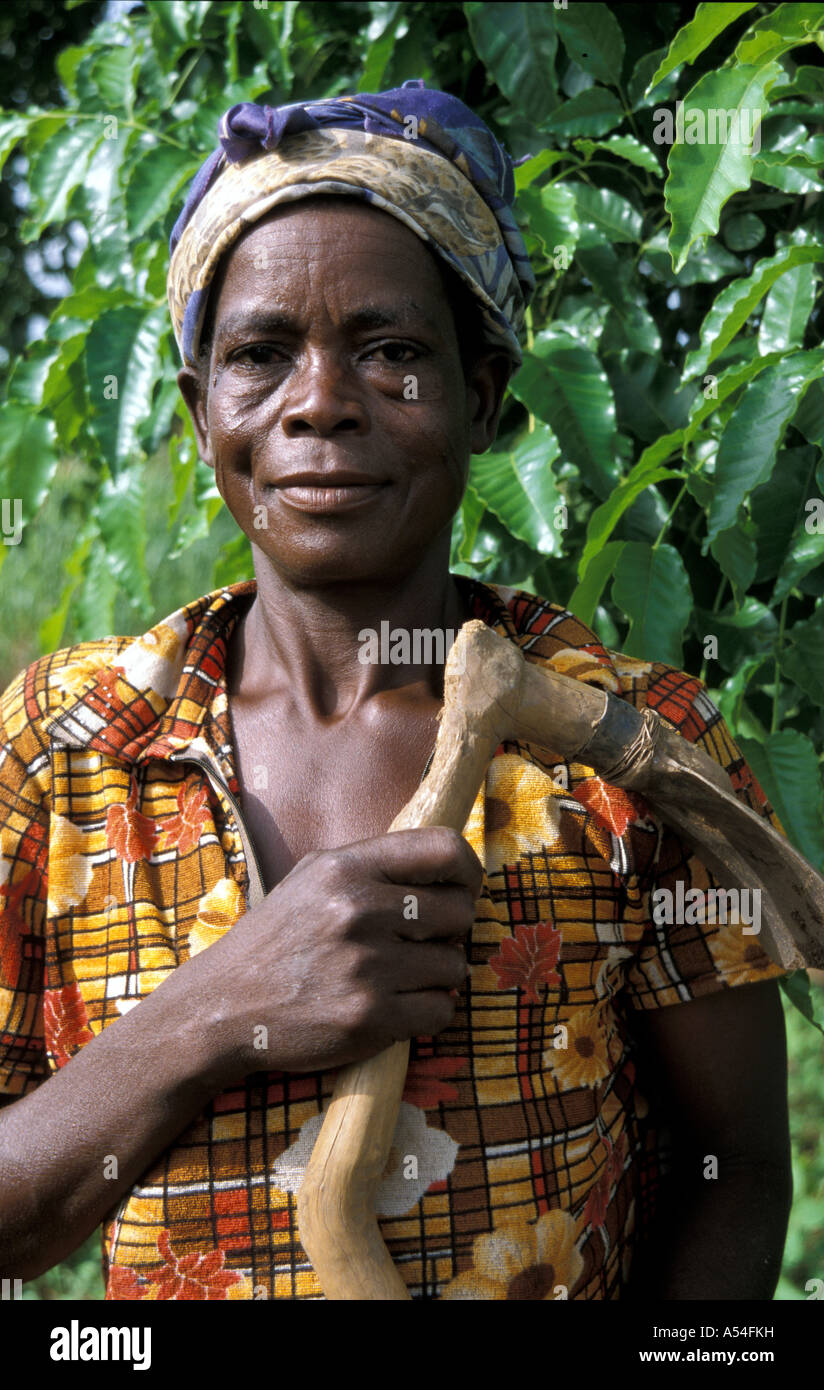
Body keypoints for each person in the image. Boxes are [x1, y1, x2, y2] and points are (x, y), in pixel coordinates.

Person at [0, 81, 791, 1301]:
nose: (319, 400)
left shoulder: (627, 748)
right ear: (200, 411)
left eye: (389, 352)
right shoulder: (65, 748)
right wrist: (223, 1002)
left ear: (481, 398)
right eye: (260, 354)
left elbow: (728, 1167)